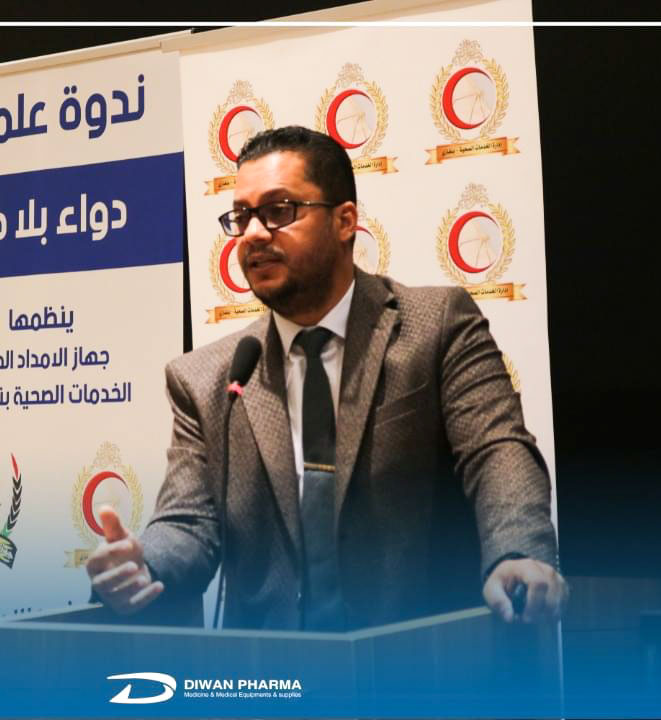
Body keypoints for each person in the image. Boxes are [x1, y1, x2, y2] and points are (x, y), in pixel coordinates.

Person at [87, 126, 567, 630]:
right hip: (268, 665)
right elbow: (188, 522)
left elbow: (497, 450)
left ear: (345, 221)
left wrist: (517, 551)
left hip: (416, 653)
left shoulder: (436, 326)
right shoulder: (208, 378)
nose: (253, 233)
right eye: (242, 216)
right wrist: (142, 562)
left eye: (279, 210)